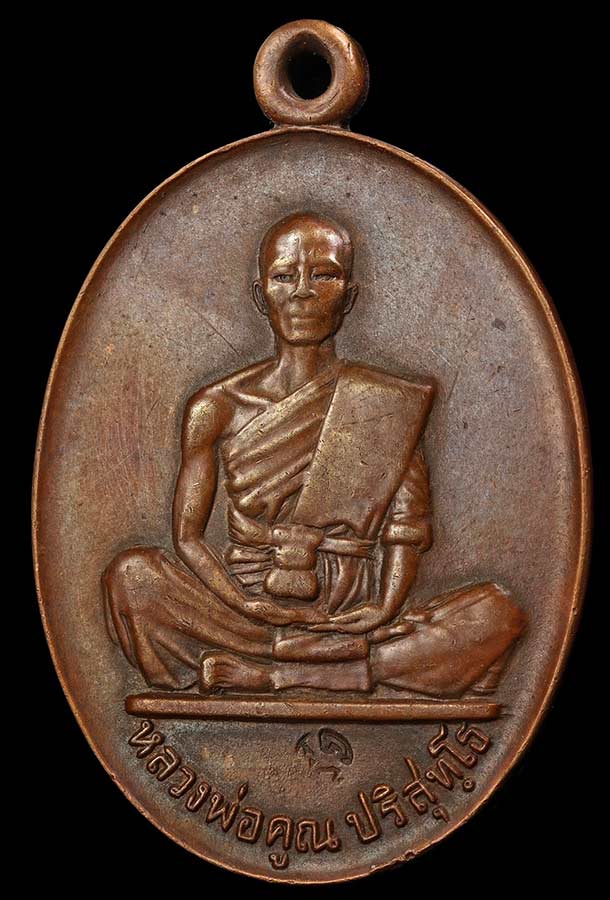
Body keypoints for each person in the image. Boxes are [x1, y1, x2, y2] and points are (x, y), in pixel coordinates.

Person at [102, 212, 525, 697]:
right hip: (244, 609)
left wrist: (384, 609)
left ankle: (279, 674)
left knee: (498, 613)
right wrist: (247, 605)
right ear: (261, 296)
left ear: (349, 296)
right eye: (285, 276)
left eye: (323, 275)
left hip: (352, 612)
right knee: (132, 577)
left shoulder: (386, 400)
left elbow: (406, 528)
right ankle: (326, 662)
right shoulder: (216, 406)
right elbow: (187, 536)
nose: (302, 292)